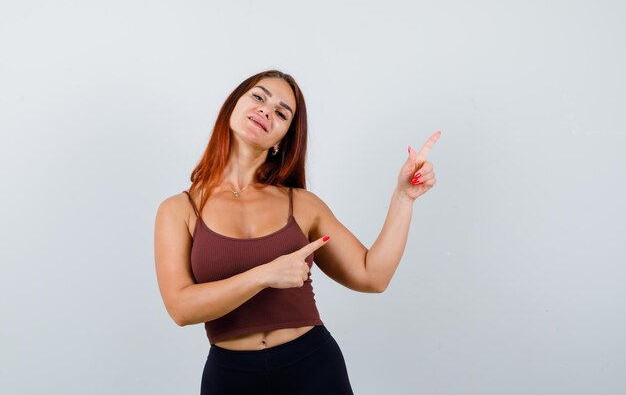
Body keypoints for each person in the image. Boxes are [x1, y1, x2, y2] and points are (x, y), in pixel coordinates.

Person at [154, 69, 440, 394]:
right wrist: (264, 275)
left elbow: (372, 276)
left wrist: (403, 197)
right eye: (259, 97)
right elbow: (180, 308)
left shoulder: (302, 205)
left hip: (312, 369)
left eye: (281, 112)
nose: (266, 110)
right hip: (230, 378)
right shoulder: (178, 210)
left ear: (282, 139)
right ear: (232, 106)